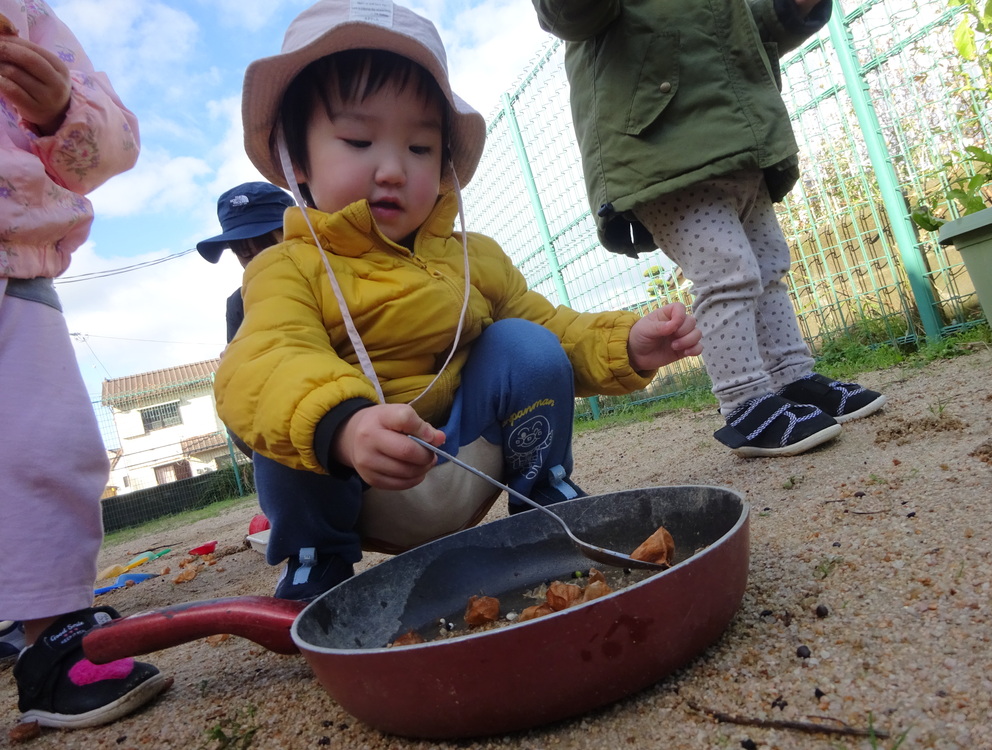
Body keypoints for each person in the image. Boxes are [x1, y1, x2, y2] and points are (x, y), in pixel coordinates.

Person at [214, 0, 703, 602]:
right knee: (287, 411)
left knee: (524, 341)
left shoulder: (475, 257)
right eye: (358, 139)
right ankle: (317, 562)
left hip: (466, 455)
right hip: (356, 482)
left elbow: (552, 328)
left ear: (444, 164)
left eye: (420, 149)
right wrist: (344, 429)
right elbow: (265, 360)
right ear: (298, 159)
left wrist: (624, 342)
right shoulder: (285, 268)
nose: (392, 168)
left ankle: (543, 497)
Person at [531, 0, 887, 458]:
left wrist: (791, 9)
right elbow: (571, 14)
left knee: (768, 265)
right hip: (660, 150)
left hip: (739, 137)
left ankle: (792, 377)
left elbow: (750, 26)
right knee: (727, 270)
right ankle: (744, 402)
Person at [0, 1, 169, 729]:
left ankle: (50, 641)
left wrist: (60, 108)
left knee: (48, 451)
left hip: (12, 261)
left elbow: (118, 141)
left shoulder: (24, 15)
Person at [196, 182, 295, 342]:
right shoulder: (238, 304)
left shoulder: (333, 275)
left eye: (268, 250)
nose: (259, 263)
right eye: (246, 255)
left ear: (295, 233)